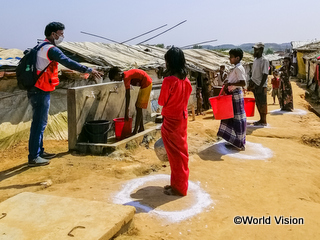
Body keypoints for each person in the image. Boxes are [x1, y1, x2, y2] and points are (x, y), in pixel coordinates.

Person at [27, 22, 101, 167]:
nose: (62, 37)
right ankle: (34, 157)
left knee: (40, 122)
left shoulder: (39, 47)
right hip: (40, 90)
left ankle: (39, 151)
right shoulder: (50, 49)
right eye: (61, 34)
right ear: (53, 34)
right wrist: (88, 70)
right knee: (39, 124)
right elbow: (68, 62)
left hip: (37, 89)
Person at [158, 47, 192, 196]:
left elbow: (161, 101)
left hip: (171, 120)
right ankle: (178, 184)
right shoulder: (186, 81)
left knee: (175, 155)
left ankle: (179, 188)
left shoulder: (169, 81)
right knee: (181, 153)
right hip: (182, 119)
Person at [217, 48, 247, 151]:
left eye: (231, 57)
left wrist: (230, 84)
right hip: (234, 94)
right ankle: (235, 140)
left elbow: (243, 83)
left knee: (237, 118)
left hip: (236, 95)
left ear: (237, 58)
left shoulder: (238, 68)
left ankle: (239, 142)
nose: (230, 59)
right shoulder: (237, 67)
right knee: (233, 117)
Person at [108, 67, 152, 135]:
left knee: (138, 107)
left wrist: (126, 111)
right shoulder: (126, 75)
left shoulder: (126, 77)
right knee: (138, 106)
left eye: (115, 78)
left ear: (118, 74)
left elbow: (128, 95)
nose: (116, 80)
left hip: (146, 83)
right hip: (144, 83)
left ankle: (135, 130)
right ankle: (141, 127)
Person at [248, 42, 269, 126]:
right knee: (258, 102)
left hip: (261, 85)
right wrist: (250, 84)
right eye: (254, 49)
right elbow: (253, 74)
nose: (255, 51)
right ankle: (261, 119)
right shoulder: (255, 60)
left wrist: (261, 86)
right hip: (255, 84)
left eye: (256, 49)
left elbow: (265, 74)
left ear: (261, 50)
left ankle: (264, 120)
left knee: (263, 103)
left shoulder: (264, 60)